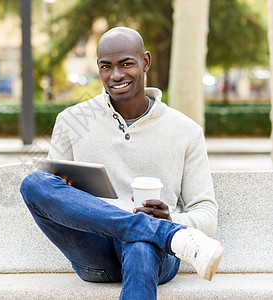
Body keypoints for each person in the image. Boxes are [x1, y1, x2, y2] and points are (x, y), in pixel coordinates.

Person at [20, 27, 224, 300]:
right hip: (95, 253)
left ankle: (156, 231)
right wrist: (69, 192)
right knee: (34, 182)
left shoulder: (186, 131)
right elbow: (56, 196)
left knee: (140, 244)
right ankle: (164, 233)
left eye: (126, 64)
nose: (116, 75)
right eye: (106, 66)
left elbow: (206, 212)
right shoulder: (72, 121)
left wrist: (172, 218)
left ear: (146, 62)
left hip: (155, 257)